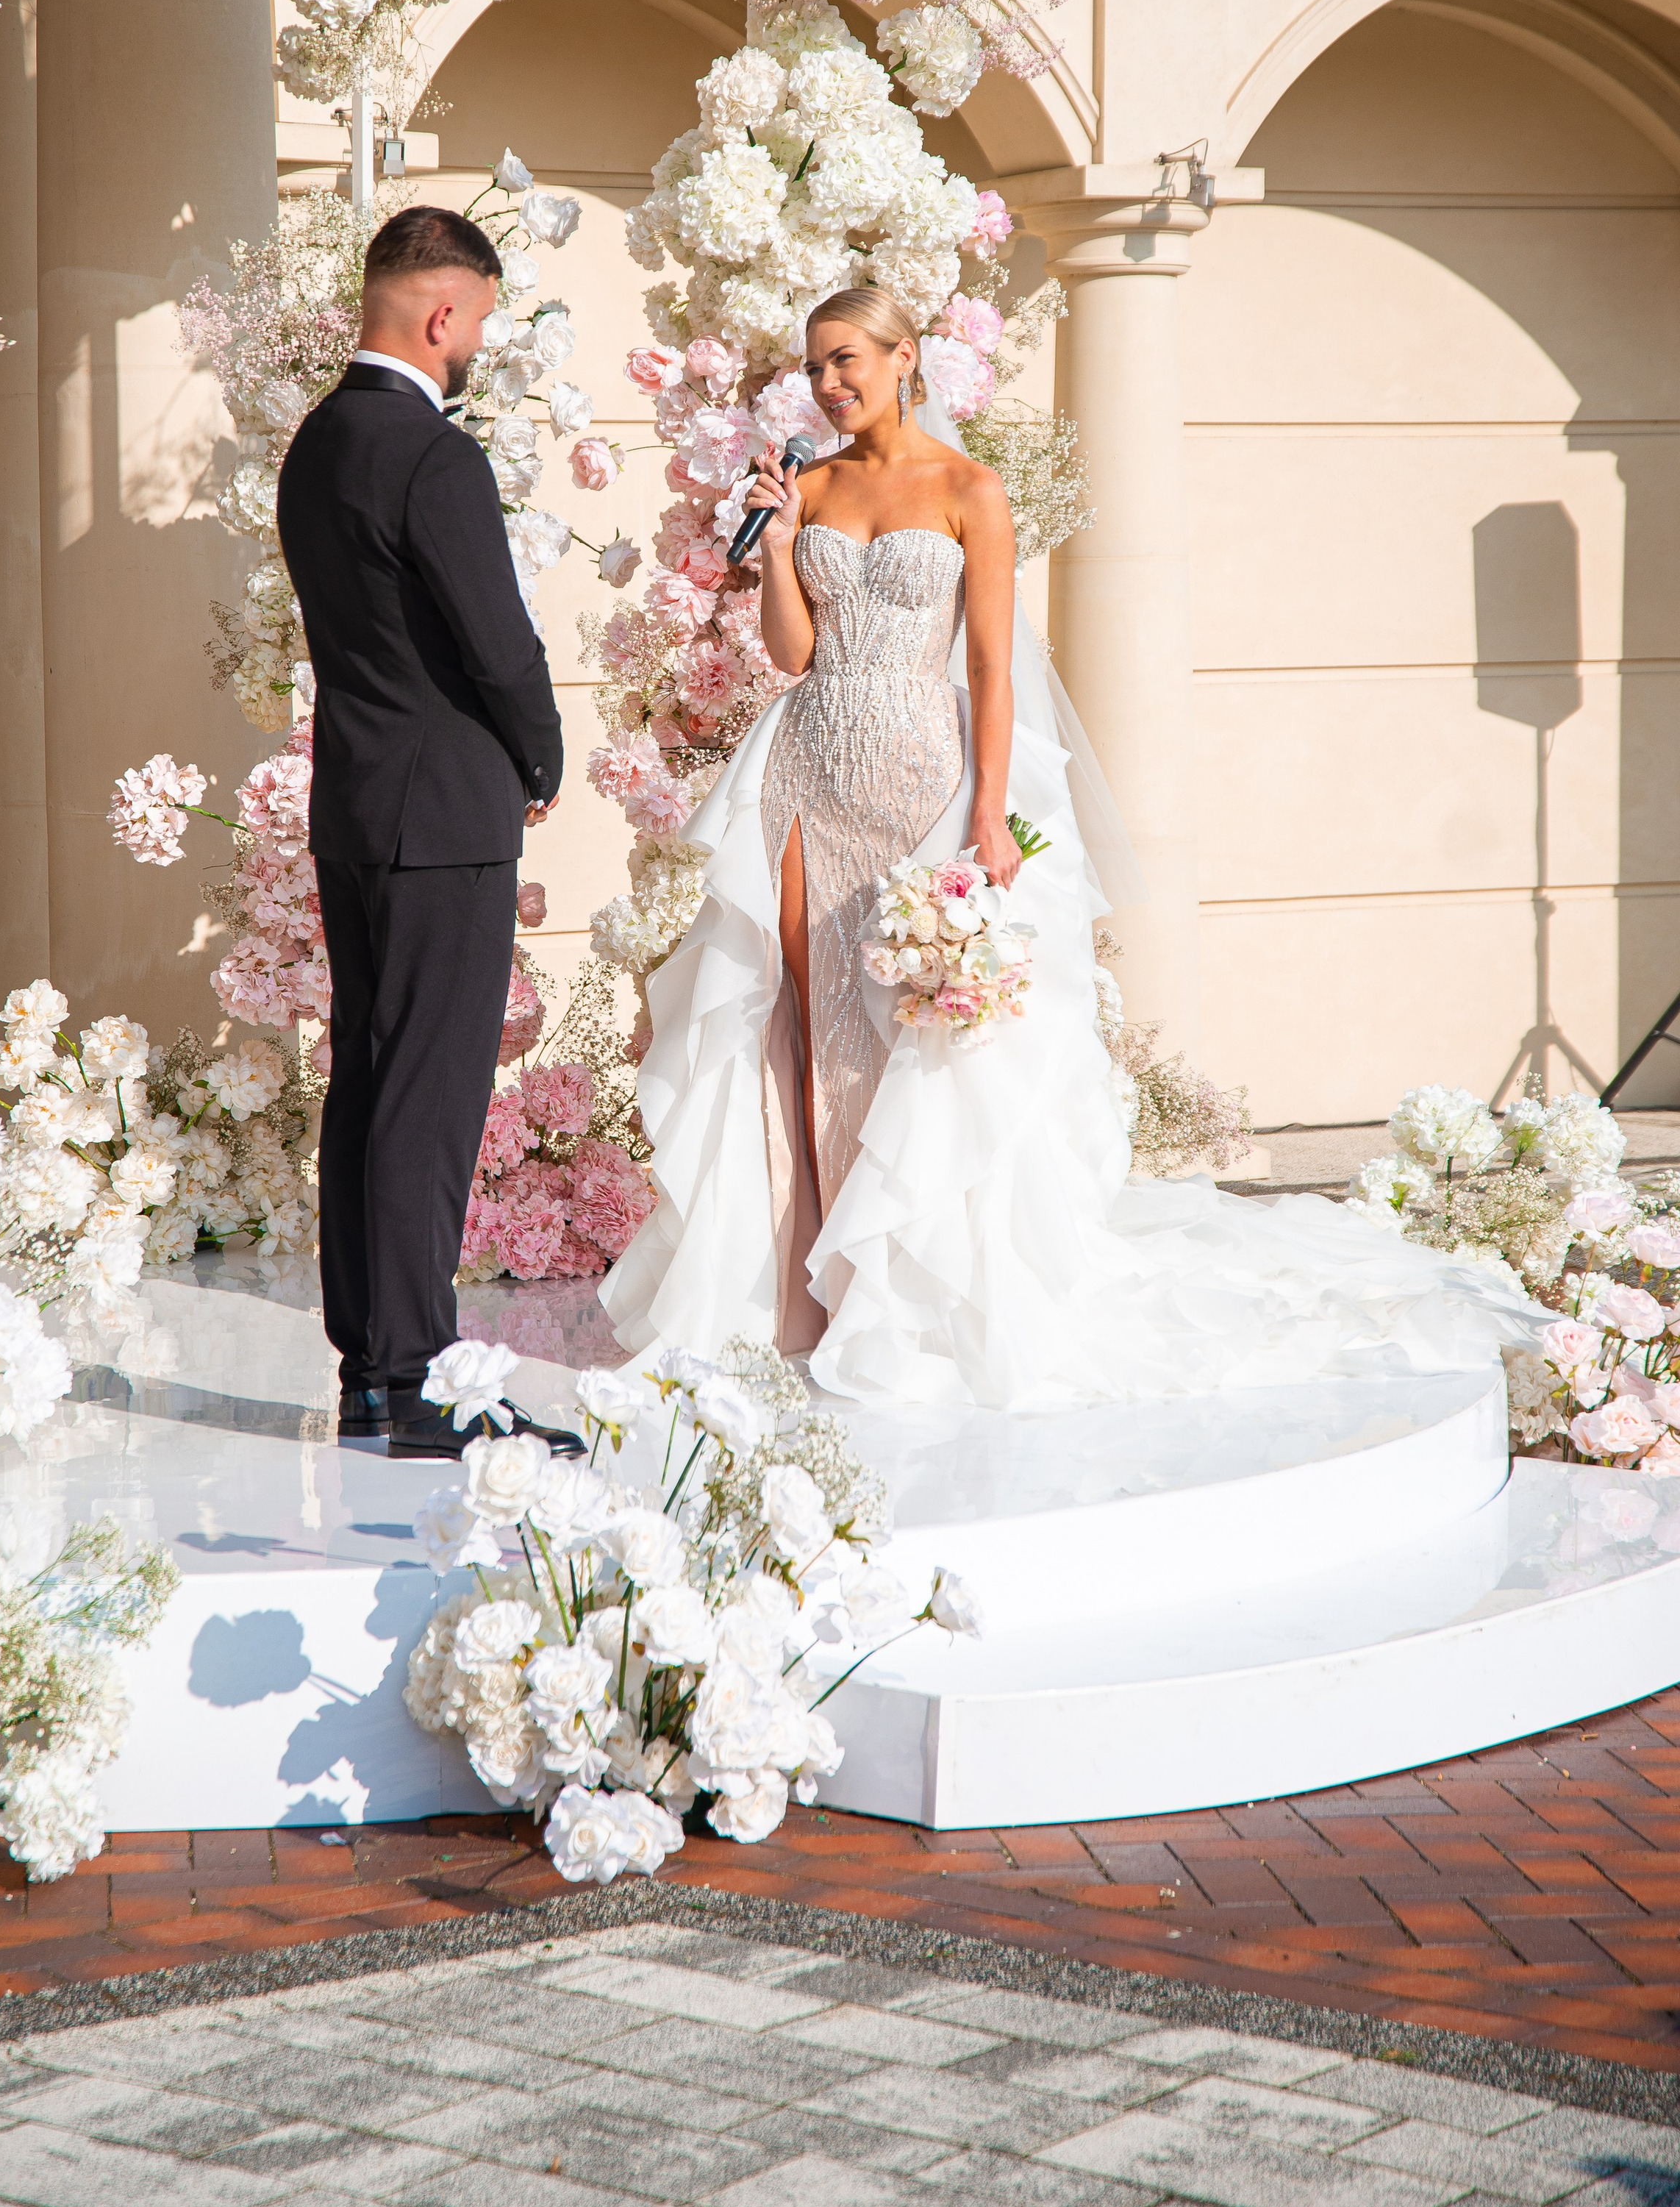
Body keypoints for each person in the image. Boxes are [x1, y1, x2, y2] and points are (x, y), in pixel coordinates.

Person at [601, 286, 1545, 1411]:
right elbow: (795, 658)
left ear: (906, 358)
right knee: (808, 1029)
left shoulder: (970, 492)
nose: (830, 385)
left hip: (925, 781)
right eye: (815, 368)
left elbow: (995, 667)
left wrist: (991, 814)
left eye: (847, 360)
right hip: (806, 776)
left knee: (906, 1038)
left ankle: (906, 1294)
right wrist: (781, 546)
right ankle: (818, 1295)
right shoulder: (807, 485)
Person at [278, 204, 577, 1459]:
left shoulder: (316, 441)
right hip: (445, 813)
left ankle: (369, 1376)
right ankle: (417, 1385)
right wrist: (543, 751)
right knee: (430, 1097)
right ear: (441, 312)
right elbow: (495, 638)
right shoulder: (433, 457)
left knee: (371, 1080)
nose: (474, 351)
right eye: (478, 326)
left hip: (355, 802)